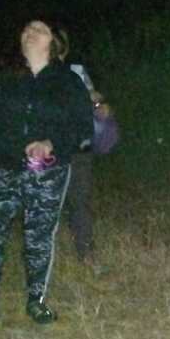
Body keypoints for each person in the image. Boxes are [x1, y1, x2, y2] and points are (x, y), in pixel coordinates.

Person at [0, 20, 94, 339]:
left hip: (47, 172)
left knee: (40, 237)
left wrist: (51, 143)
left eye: (39, 28)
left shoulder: (68, 81)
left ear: (53, 41)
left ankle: (37, 300)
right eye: (26, 28)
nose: (30, 30)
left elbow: (83, 127)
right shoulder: (0, 71)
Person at [57, 29, 113, 271]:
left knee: (79, 199)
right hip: (42, 152)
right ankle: (41, 254)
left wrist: (99, 104)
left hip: (77, 147)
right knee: (40, 199)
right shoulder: (29, 75)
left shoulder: (76, 73)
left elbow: (98, 104)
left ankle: (86, 252)